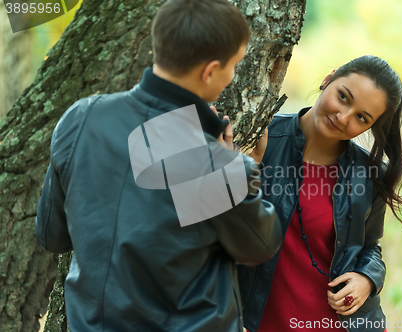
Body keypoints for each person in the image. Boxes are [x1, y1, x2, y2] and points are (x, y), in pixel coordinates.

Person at [35, 0, 282, 331]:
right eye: (234, 65)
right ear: (210, 70)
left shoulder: (81, 118)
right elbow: (260, 245)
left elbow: (52, 235)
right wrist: (235, 164)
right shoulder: (214, 164)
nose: (233, 75)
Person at [239, 55, 402, 332]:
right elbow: (214, 222)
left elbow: (369, 247)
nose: (343, 118)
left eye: (361, 117)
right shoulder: (260, 138)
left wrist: (367, 278)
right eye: (343, 97)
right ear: (328, 79)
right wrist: (248, 170)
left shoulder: (369, 174)